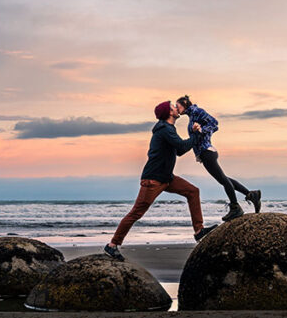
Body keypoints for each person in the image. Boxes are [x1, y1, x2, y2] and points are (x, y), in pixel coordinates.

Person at [104, 100, 217, 260]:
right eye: (173, 107)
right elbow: (182, 147)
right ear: (168, 113)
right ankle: (112, 245)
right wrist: (196, 134)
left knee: (193, 191)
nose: (176, 108)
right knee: (136, 213)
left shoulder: (168, 129)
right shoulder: (164, 129)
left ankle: (199, 231)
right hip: (153, 180)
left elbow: (178, 151)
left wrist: (193, 135)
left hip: (167, 178)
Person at [177, 94, 261, 222]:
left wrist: (201, 129)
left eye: (178, 107)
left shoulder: (197, 111)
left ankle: (235, 207)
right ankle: (251, 195)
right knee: (223, 179)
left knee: (222, 179)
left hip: (207, 152)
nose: (177, 110)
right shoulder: (192, 115)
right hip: (205, 153)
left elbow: (215, 124)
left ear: (184, 104)